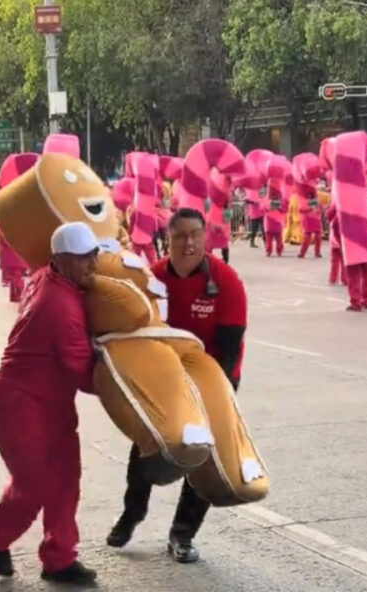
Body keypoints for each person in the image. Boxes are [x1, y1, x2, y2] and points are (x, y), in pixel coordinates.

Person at [106, 208, 248, 564]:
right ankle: (132, 514)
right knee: (147, 445)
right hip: (165, 376)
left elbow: (231, 343)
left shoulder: (225, 280)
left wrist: (219, 396)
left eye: (195, 235)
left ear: (205, 238)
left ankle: (182, 535)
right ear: (167, 240)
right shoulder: (151, 279)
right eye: (180, 235)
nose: (189, 243)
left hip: (215, 372)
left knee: (204, 454)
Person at [0, 222, 99, 586]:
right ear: (62, 260)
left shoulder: (51, 278)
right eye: (84, 258)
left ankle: (59, 557)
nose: (93, 264)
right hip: (20, 405)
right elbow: (84, 373)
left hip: (50, 402)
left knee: (65, 479)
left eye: (94, 255)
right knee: (35, 485)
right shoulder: (60, 306)